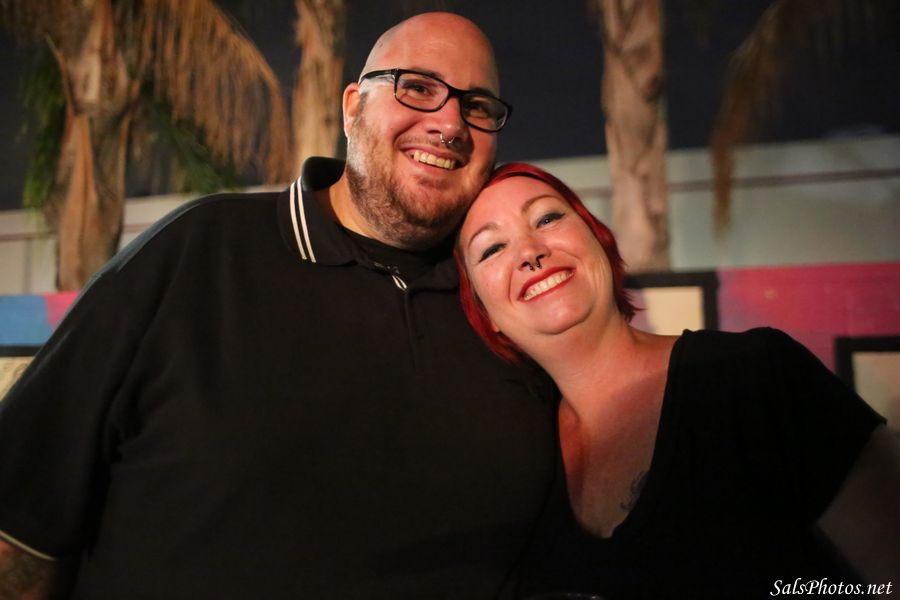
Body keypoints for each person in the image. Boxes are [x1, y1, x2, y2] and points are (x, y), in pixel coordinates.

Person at [0, 15, 558, 599]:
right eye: (417, 87)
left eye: (477, 106)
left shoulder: (505, 302)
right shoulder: (198, 254)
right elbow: (20, 532)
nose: (449, 123)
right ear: (352, 107)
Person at [455, 162, 900, 599]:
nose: (529, 251)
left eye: (547, 218)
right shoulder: (522, 464)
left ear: (599, 241)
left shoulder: (755, 373)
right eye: (492, 249)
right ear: (483, 313)